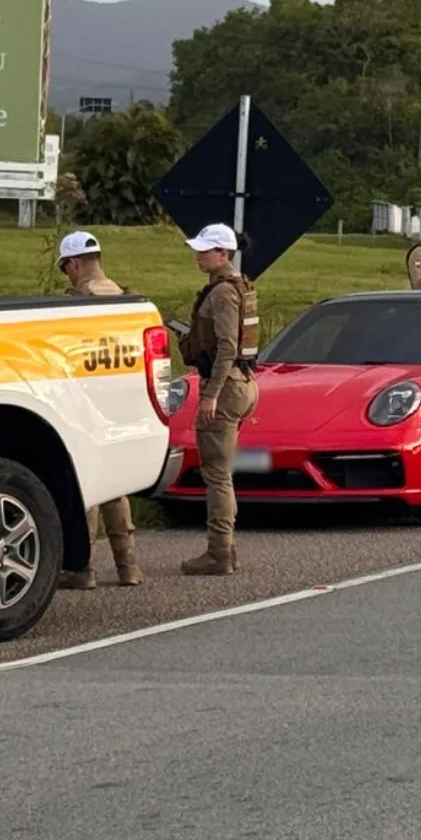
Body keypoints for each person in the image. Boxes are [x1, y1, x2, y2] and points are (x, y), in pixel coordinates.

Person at [54, 231, 143, 589]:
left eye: (66, 269)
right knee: (117, 486)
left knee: (86, 485)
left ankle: (82, 569)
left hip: (87, 402)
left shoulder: (77, 302)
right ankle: (129, 567)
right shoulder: (124, 297)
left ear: (74, 264)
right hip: (120, 401)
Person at [177, 223, 260, 576]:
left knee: (217, 474)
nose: (198, 255)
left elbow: (227, 346)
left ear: (223, 253)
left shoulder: (223, 293)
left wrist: (210, 394)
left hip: (226, 388)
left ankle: (219, 552)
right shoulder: (238, 286)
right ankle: (225, 549)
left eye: (205, 250)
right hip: (243, 383)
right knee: (220, 471)